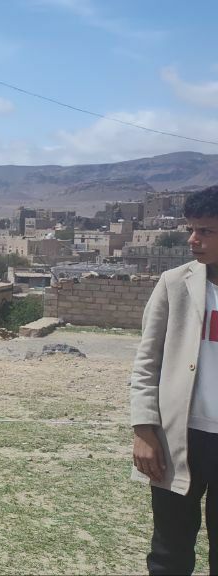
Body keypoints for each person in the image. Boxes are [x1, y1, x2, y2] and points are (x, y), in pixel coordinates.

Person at [130, 184, 218, 574]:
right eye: (191, 229)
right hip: (179, 439)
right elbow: (146, 363)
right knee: (169, 552)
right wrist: (143, 430)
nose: (193, 240)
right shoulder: (174, 284)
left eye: (205, 231)